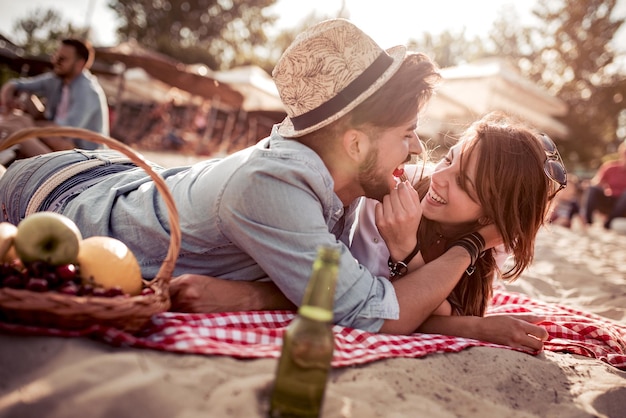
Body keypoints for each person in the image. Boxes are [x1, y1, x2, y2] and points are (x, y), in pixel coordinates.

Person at [0, 19, 531, 345]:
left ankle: (25, 135)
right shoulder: (276, 186)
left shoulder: (339, 176)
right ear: (355, 143)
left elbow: (329, 286)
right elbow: (375, 313)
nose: (417, 150)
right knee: (24, 144)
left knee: (35, 140)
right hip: (57, 201)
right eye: (408, 133)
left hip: (118, 177)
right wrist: (469, 245)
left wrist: (251, 294)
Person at [0, 38, 109, 158]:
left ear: (79, 64)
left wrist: (29, 124)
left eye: (62, 59)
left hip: (84, 155)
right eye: (55, 57)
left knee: (19, 130)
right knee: (24, 103)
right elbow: (16, 85)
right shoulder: (57, 79)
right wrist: (7, 102)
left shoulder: (88, 91)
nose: (55, 62)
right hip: (59, 140)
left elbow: (65, 131)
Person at [582, 140, 626, 229]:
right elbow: (596, 183)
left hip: (623, 205)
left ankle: (609, 223)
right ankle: (587, 221)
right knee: (592, 189)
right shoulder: (610, 167)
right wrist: (588, 185)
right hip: (609, 199)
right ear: (621, 153)